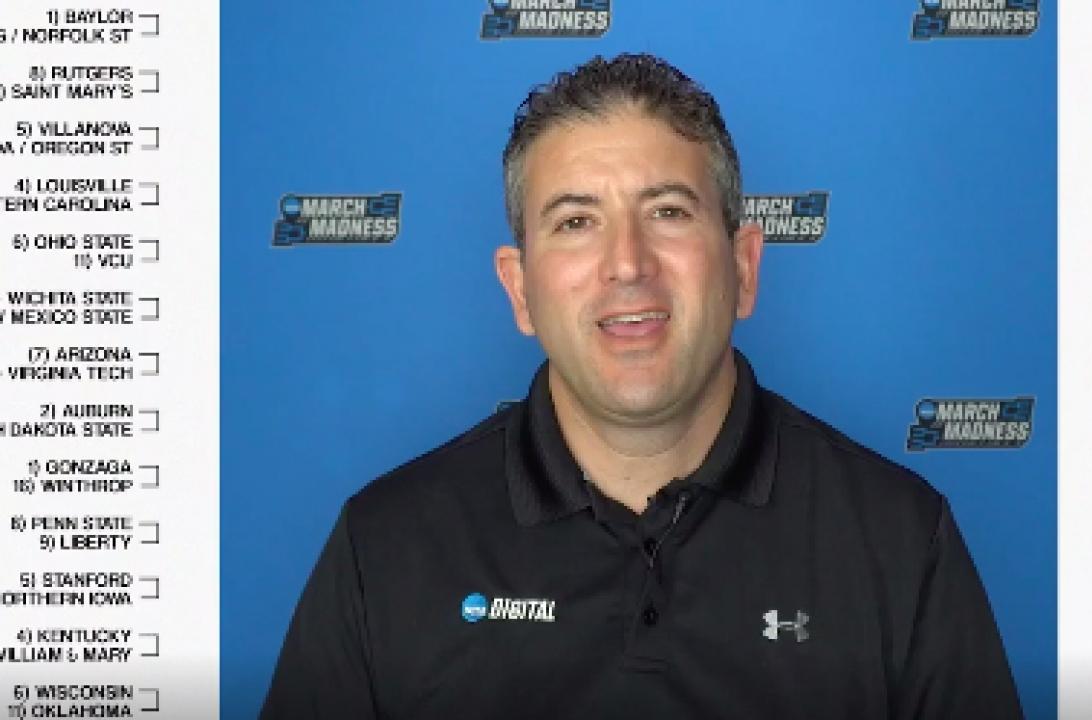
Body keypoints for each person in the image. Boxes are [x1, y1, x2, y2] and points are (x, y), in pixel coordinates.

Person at [260, 52, 1024, 720]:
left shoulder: (898, 541)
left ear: (744, 267)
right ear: (520, 290)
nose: (628, 263)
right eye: (575, 221)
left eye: (667, 211)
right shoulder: (385, 549)